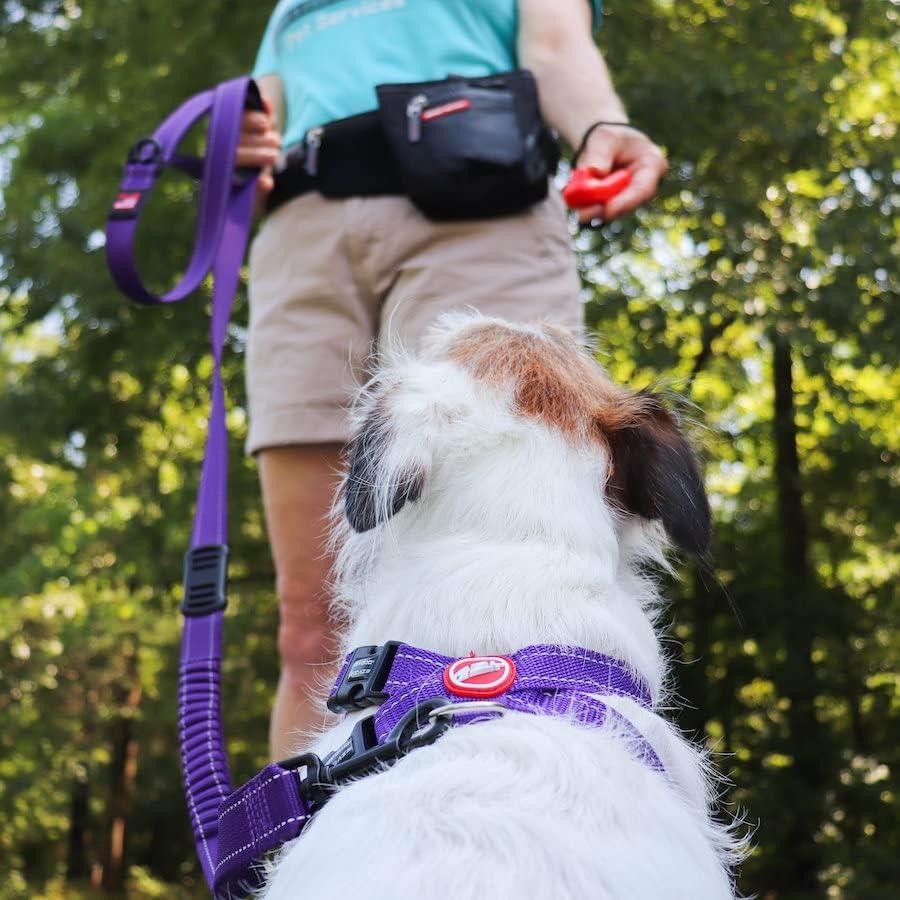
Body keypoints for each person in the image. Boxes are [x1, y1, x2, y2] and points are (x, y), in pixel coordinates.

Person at [236, 0, 668, 760]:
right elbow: (260, 120)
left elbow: (556, 46)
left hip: (478, 204)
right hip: (302, 237)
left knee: (523, 598)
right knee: (310, 629)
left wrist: (602, 127)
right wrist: (233, 145)